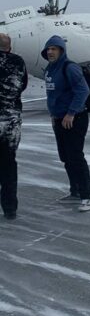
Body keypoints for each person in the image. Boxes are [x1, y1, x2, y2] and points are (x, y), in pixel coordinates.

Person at [42, 35, 90, 211]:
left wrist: (71, 113)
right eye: (48, 49)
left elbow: (83, 90)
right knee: (65, 157)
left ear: (61, 51)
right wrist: (53, 115)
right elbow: (53, 95)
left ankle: (87, 196)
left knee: (76, 156)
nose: (50, 52)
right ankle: (75, 191)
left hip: (74, 119)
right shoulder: (49, 69)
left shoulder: (69, 68)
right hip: (58, 119)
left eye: (54, 49)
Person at [0, 33, 28, 220]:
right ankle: (10, 208)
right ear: (9, 47)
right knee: (9, 165)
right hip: (10, 121)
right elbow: (23, 85)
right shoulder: (18, 62)